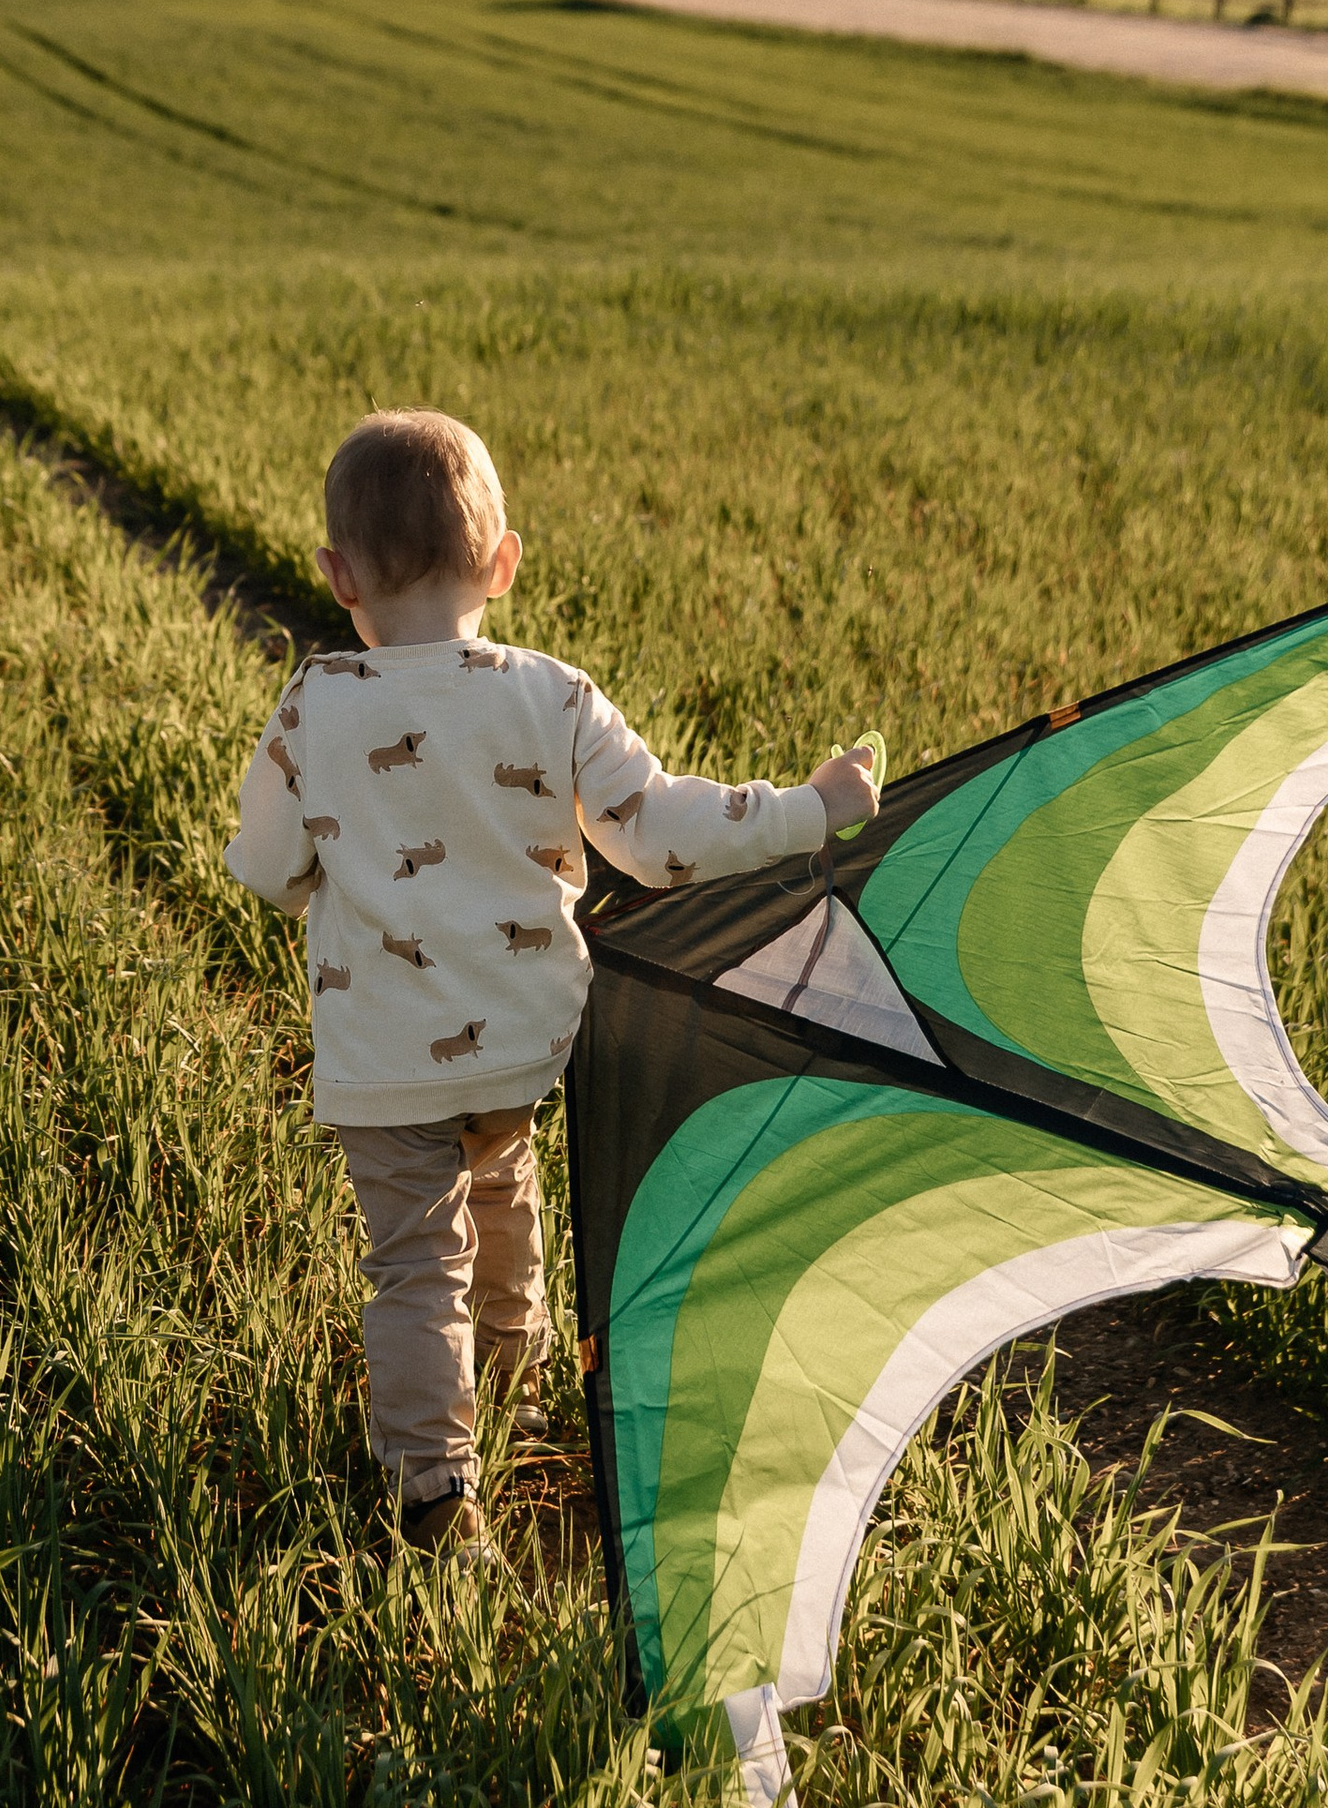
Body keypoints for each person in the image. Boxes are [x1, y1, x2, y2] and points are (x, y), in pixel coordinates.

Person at [226, 408, 879, 1551]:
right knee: (504, 1189)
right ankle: (521, 1406)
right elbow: (662, 835)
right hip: (522, 1043)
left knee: (415, 1259)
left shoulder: (315, 707)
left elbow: (269, 868)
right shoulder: (552, 694)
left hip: (385, 1055)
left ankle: (436, 1487)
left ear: (335, 576)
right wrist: (810, 808)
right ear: (502, 563)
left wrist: (338, 883)